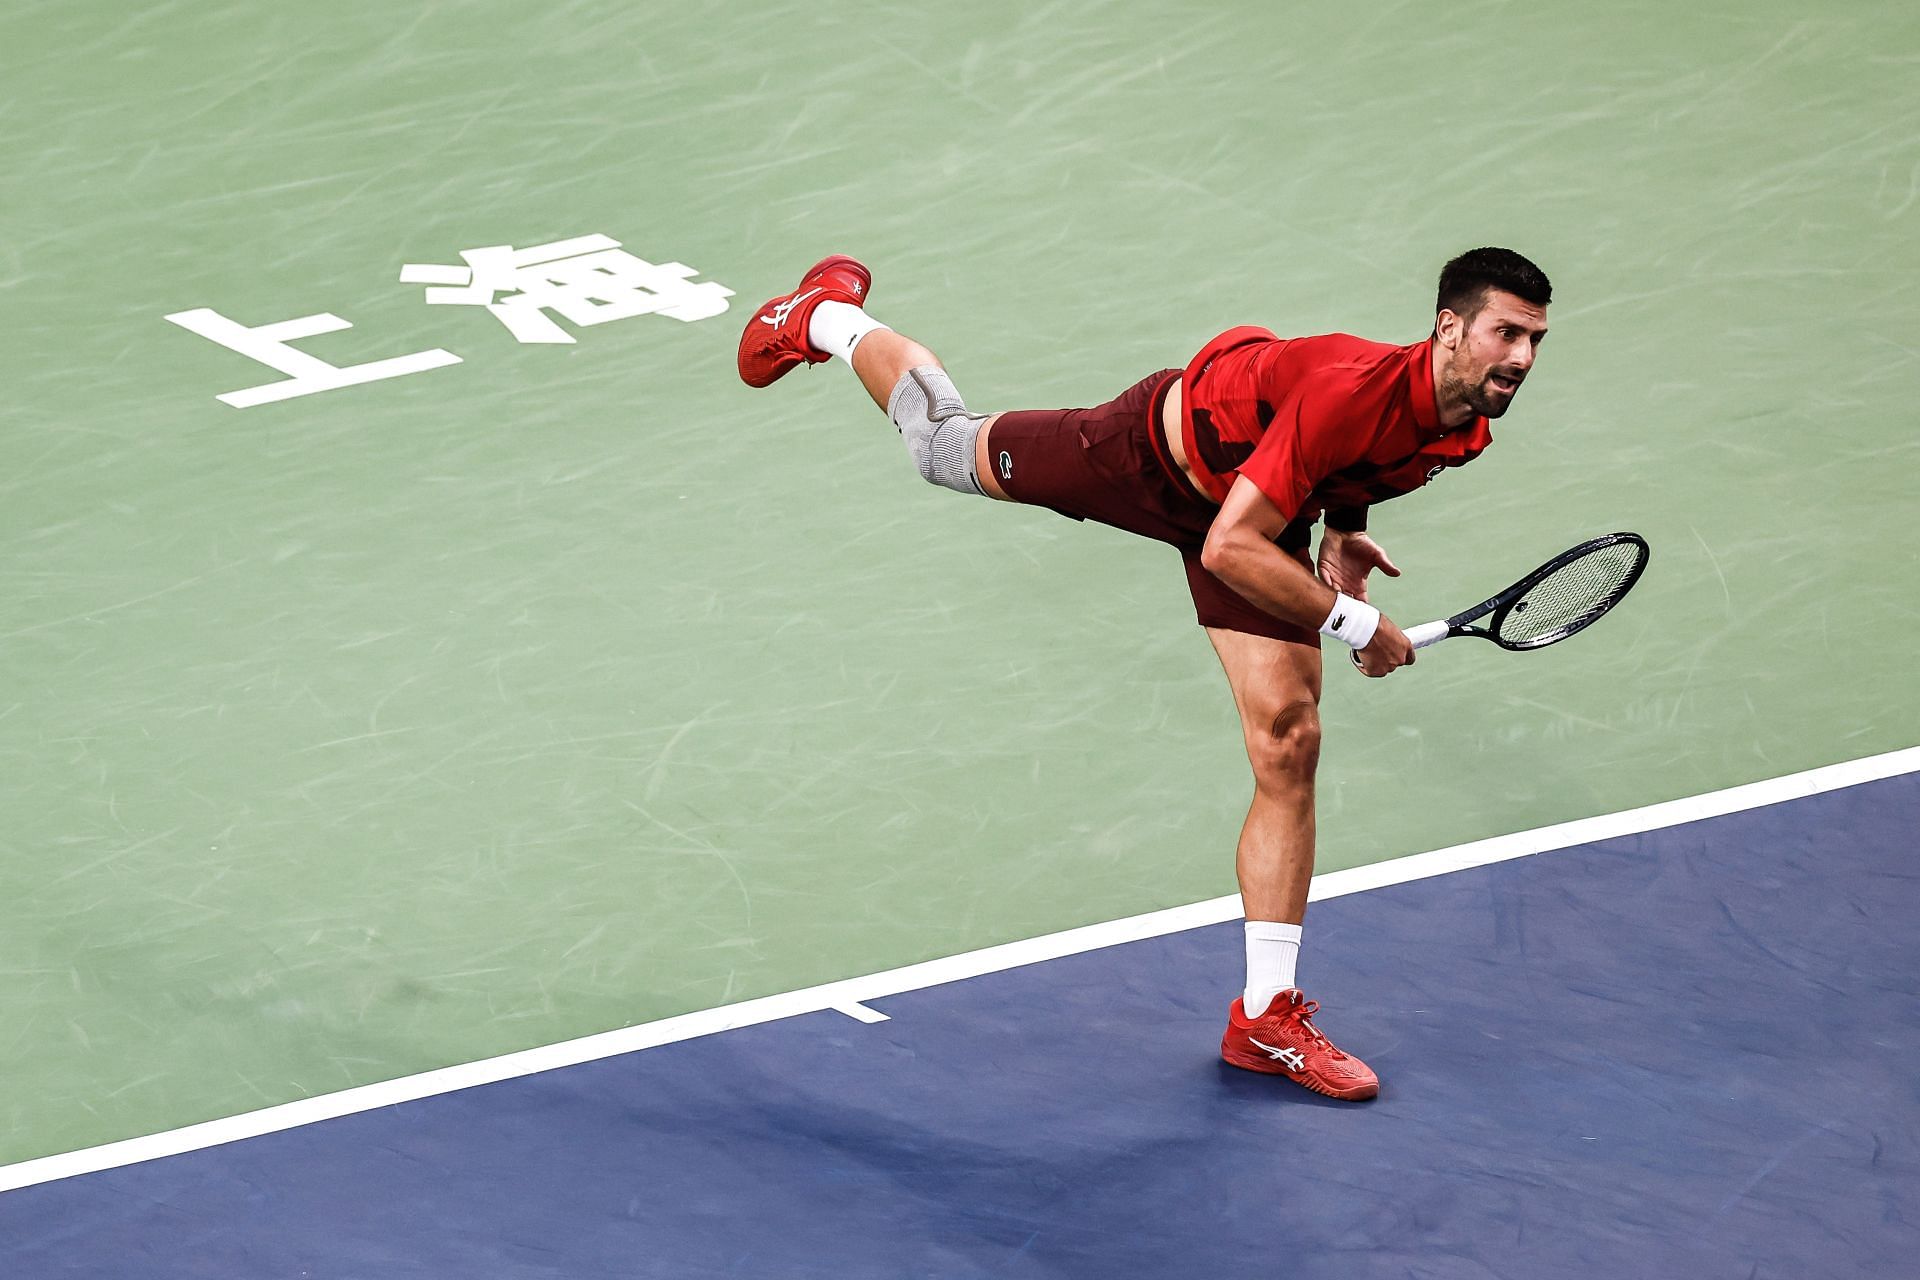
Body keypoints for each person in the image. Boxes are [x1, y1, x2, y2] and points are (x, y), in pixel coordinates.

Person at [736, 248, 1552, 1100]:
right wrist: (1357, 624)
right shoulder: (1348, 393)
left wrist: (1343, 533)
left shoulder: (1466, 427)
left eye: (1535, 339)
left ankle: (1265, 1018)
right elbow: (1233, 542)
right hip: (1148, 457)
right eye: (1506, 334)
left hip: (1251, 502)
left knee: (1290, 739)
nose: (1522, 359)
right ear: (1450, 328)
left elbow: (1346, 466)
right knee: (941, 447)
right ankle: (824, 317)